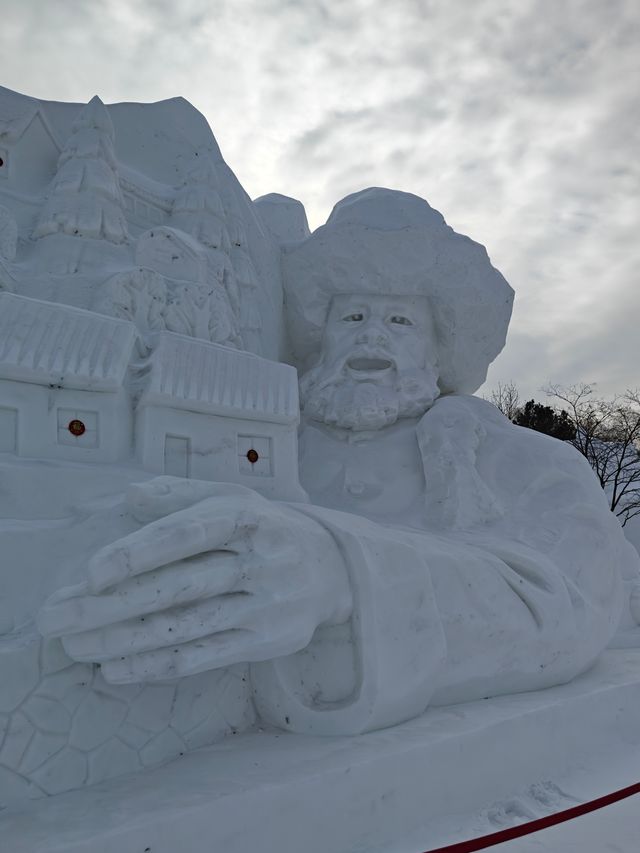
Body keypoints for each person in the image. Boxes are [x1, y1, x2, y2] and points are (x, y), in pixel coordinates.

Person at [38, 189, 637, 735]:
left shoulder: (528, 462)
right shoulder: (261, 438)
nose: (370, 337)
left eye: (400, 320)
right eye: (352, 317)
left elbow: (570, 606)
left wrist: (346, 574)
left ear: (439, 346)